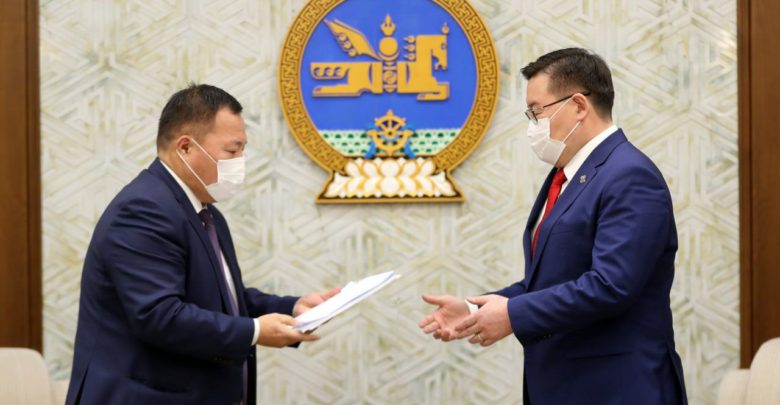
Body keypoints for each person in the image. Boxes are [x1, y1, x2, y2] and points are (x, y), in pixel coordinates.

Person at [419, 48, 687, 404]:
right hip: (568, 386)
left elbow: (610, 285)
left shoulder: (629, 175)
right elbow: (550, 281)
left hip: (618, 388)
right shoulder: (568, 175)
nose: (533, 125)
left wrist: (512, 315)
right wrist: (475, 311)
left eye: (537, 111)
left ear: (578, 106)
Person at [65, 84, 338, 405]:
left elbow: (223, 300)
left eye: (243, 150)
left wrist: (293, 308)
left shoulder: (205, 212)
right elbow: (159, 316)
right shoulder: (143, 209)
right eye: (232, 151)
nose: (240, 161)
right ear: (185, 147)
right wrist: (254, 331)